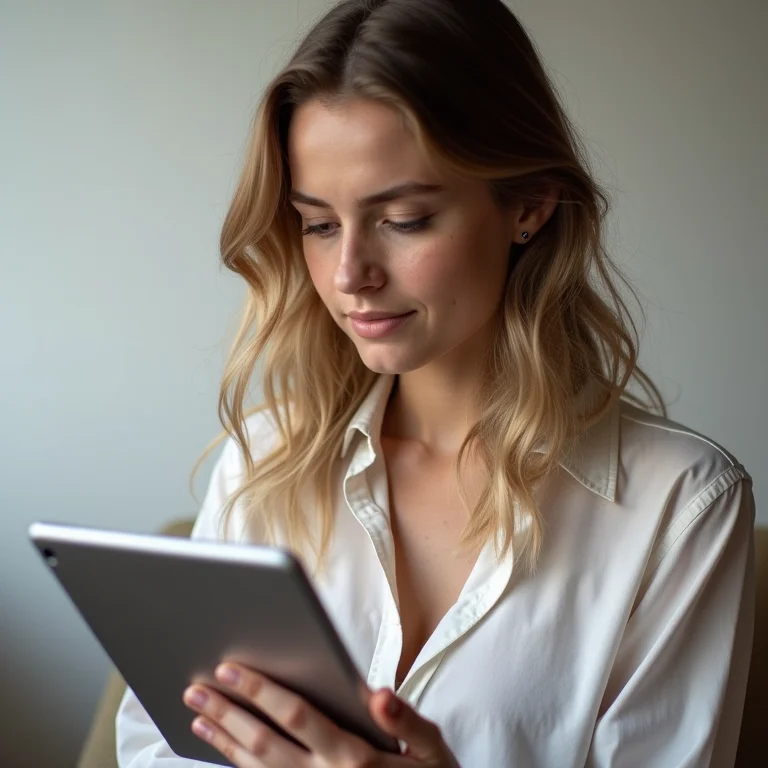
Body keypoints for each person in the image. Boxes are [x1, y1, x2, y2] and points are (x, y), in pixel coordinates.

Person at [116, 0, 755, 765]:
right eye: (319, 225)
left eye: (405, 218)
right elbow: (157, 748)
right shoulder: (264, 460)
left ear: (529, 204)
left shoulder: (681, 508)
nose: (350, 273)